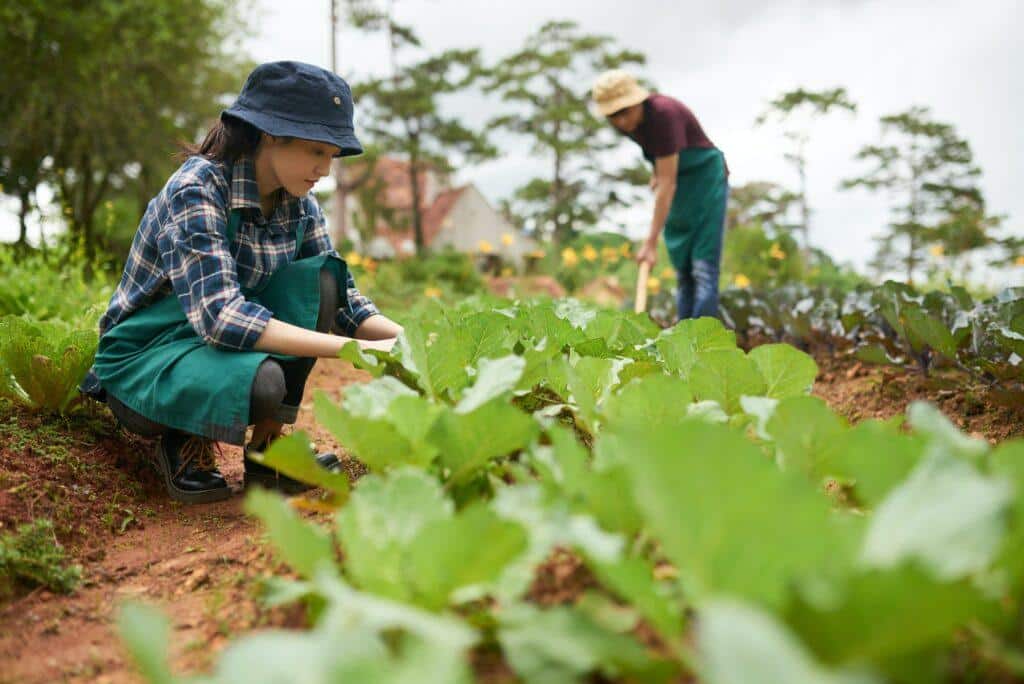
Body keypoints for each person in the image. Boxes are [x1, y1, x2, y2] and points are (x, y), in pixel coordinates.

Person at [79, 61, 402, 504]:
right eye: (316, 151)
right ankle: (182, 438)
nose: (325, 169)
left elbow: (344, 304)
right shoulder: (198, 189)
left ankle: (269, 453)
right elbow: (221, 317)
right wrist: (354, 350)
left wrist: (410, 343)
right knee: (264, 383)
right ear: (270, 134)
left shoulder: (301, 204)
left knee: (324, 278)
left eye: (331, 155)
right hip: (146, 357)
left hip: (212, 350)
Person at [592, 70, 729, 321]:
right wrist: (658, 170)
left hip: (705, 181)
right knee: (683, 271)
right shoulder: (630, 125)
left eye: (624, 112)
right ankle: (682, 337)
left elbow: (667, 185)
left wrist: (650, 243)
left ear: (637, 101)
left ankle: (703, 341)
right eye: (613, 115)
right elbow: (664, 157)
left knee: (703, 269)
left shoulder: (664, 115)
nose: (620, 120)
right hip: (679, 183)